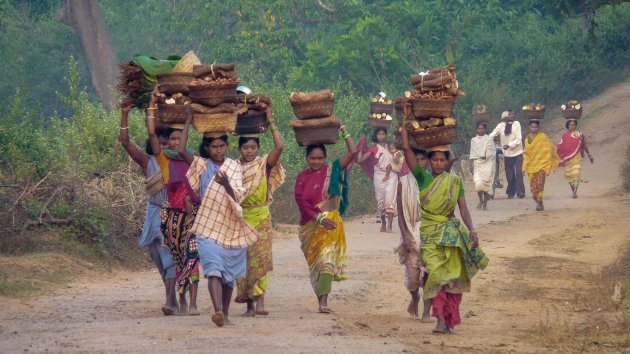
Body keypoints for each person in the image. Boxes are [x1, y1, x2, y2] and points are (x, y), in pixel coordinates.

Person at [401, 109, 489, 334]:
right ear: (429, 161)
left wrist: (472, 230)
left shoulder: (455, 180)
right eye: (435, 160)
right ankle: (439, 319)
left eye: (443, 160)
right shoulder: (422, 178)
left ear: (447, 160)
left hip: (451, 235)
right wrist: (404, 122)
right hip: (430, 235)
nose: (439, 163)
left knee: (452, 279)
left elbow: (463, 208)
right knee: (436, 275)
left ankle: (447, 321)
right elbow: (408, 149)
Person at [180, 109, 258, 327]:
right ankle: (217, 311)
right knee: (213, 268)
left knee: (229, 275)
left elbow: (238, 196)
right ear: (207, 148)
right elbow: (179, 150)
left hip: (230, 225)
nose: (217, 150)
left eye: (221, 146)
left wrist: (225, 184)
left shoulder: (233, 167)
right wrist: (187, 120)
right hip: (207, 225)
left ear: (227, 146)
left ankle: (225, 312)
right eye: (213, 146)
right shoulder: (201, 165)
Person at [119, 101, 178, 316]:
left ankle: (170, 302)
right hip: (154, 215)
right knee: (159, 260)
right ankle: (172, 298)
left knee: (170, 257)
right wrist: (124, 114)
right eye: (160, 143)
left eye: (167, 142)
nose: (164, 146)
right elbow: (125, 142)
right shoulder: (148, 162)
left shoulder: (179, 161)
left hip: (172, 214)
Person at [146, 94, 201, 316]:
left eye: (181, 138)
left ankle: (194, 302)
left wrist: (188, 120)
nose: (177, 143)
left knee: (192, 256)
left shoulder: (191, 158)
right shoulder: (164, 159)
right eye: (173, 139)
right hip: (172, 217)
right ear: (167, 141)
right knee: (178, 260)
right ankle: (180, 297)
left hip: (193, 216)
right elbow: (151, 134)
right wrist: (151, 106)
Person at [294, 124, 356, 313]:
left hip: (331, 224)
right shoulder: (302, 177)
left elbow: (353, 151)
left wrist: (343, 129)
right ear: (306, 158)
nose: (316, 161)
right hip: (311, 225)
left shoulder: (333, 169)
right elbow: (301, 203)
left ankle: (324, 302)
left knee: (327, 260)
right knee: (316, 265)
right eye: (312, 158)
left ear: (325, 158)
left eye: (320, 158)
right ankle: (321, 297)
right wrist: (318, 218)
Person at [234, 105, 286, 317]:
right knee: (243, 261)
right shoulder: (234, 167)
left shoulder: (263, 164)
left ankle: (261, 300)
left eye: (253, 147)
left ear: (258, 149)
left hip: (261, 216)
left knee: (261, 259)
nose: (249, 151)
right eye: (245, 148)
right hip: (241, 217)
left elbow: (279, 147)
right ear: (239, 150)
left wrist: (271, 121)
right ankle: (248, 305)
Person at [395, 148, 432, 323]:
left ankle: (427, 310)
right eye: (415, 159)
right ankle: (415, 296)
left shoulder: (434, 182)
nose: (419, 162)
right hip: (411, 232)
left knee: (429, 272)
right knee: (412, 278)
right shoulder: (403, 182)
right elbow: (401, 214)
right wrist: (406, 236)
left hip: (429, 231)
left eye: (423, 159)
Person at [357, 128, 397, 232]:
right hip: (379, 176)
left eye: (383, 133)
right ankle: (383, 222)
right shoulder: (373, 149)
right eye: (379, 134)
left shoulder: (391, 147)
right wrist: (361, 147)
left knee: (390, 199)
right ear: (376, 135)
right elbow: (360, 160)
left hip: (392, 174)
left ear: (386, 135)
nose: (381, 136)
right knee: (381, 201)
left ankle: (390, 226)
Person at [522, 120, 559, 211]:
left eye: (535, 127)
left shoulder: (543, 137)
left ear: (538, 128)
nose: (534, 129)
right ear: (529, 128)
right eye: (532, 127)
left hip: (542, 164)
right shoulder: (528, 139)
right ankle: (539, 201)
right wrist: (524, 167)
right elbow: (526, 153)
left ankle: (539, 202)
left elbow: (549, 148)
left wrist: (548, 161)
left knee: (540, 184)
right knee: (534, 187)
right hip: (531, 166)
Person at [489, 110, 525, 199]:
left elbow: (519, 139)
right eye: (510, 114)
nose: (512, 116)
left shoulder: (517, 124)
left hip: (518, 152)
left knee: (519, 172)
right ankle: (511, 192)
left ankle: (520, 192)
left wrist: (509, 145)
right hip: (507, 153)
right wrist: (486, 139)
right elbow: (493, 134)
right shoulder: (501, 126)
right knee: (510, 174)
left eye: (513, 114)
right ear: (505, 117)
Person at [556, 119, 594, 198]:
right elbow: (560, 146)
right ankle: (573, 189)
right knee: (568, 175)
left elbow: (584, 145)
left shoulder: (579, 134)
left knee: (576, 173)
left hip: (577, 157)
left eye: (573, 125)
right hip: (567, 159)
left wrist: (589, 155)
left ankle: (575, 192)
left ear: (575, 125)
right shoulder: (565, 136)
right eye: (570, 125)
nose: (572, 126)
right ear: (567, 126)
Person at [469, 123, 496, 210]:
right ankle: (480, 200)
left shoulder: (489, 139)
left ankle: (485, 203)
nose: (481, 130)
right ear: (477, 129)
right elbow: (472, 153)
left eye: (482, 128)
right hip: (477, 164)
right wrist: (470, 164)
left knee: (487, 183)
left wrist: (486, 155)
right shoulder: (473, 140)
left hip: (488, 164)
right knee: (478, 183)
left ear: (485, 129)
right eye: (479, 128)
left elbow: (492, 152)